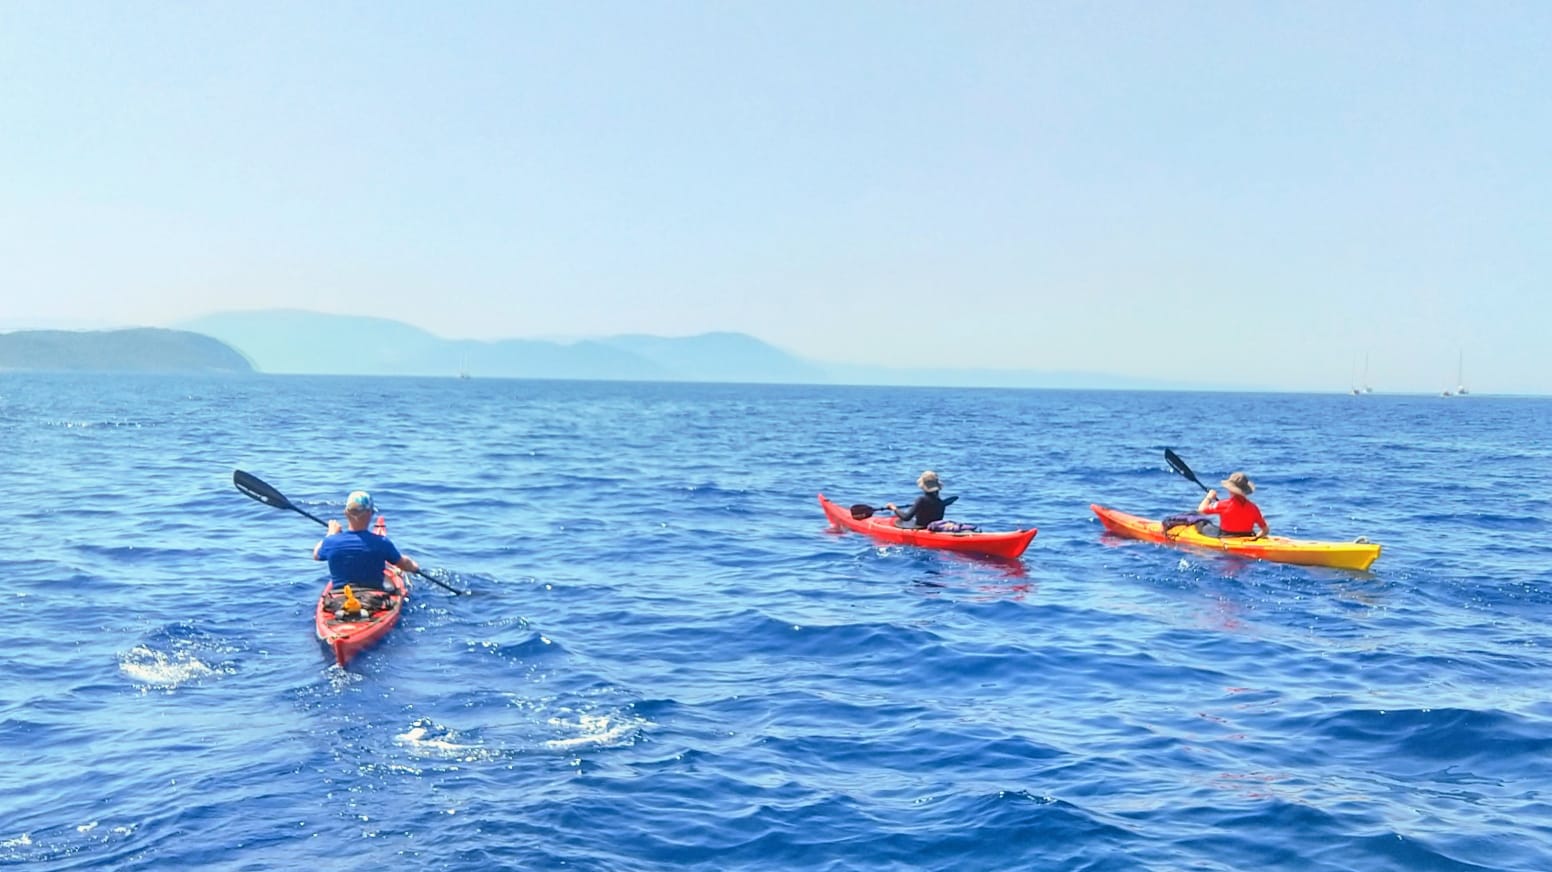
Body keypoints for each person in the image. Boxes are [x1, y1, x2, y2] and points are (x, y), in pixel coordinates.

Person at [313, 490, 420, 594]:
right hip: (374, 600)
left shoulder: (331, 542)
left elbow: (316, 555)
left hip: (340, 599)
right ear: (369, 513)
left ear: (346, 513)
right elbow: (403, 564)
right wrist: (414, 567)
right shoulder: (382, 542)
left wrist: (331, 534)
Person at [1196, 471, 1269, 538]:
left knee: (1201, 522)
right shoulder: (1254, 507)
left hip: (1225, 536)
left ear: (1230, 489)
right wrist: (1256, 538)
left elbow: (1201, 510)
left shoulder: (1223, 504)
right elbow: (1265, 530)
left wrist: (1209, 497)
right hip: (1247, 535)